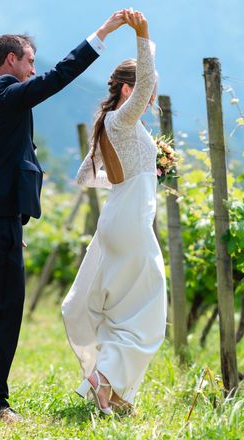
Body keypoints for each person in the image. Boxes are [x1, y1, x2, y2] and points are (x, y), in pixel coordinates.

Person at [0, 10, 130, 422]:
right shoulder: (1, 91)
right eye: (29, 60)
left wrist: (12, 219)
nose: (33, 69)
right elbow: (56, 79)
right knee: (4, 309)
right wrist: (100, 36)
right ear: (10, 60)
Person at [62, 10, 166, 416]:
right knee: (149, 315)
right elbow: (141, 94)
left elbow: (100, 174)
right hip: (130, 223)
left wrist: (145, 173)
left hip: (120, 215)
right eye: (147, 87)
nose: (151, 95)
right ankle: (105, 380)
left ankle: (116, 394)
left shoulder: (111, 123)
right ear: (129, 91)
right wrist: (144, 37)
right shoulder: (124, 118)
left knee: (125, 309)